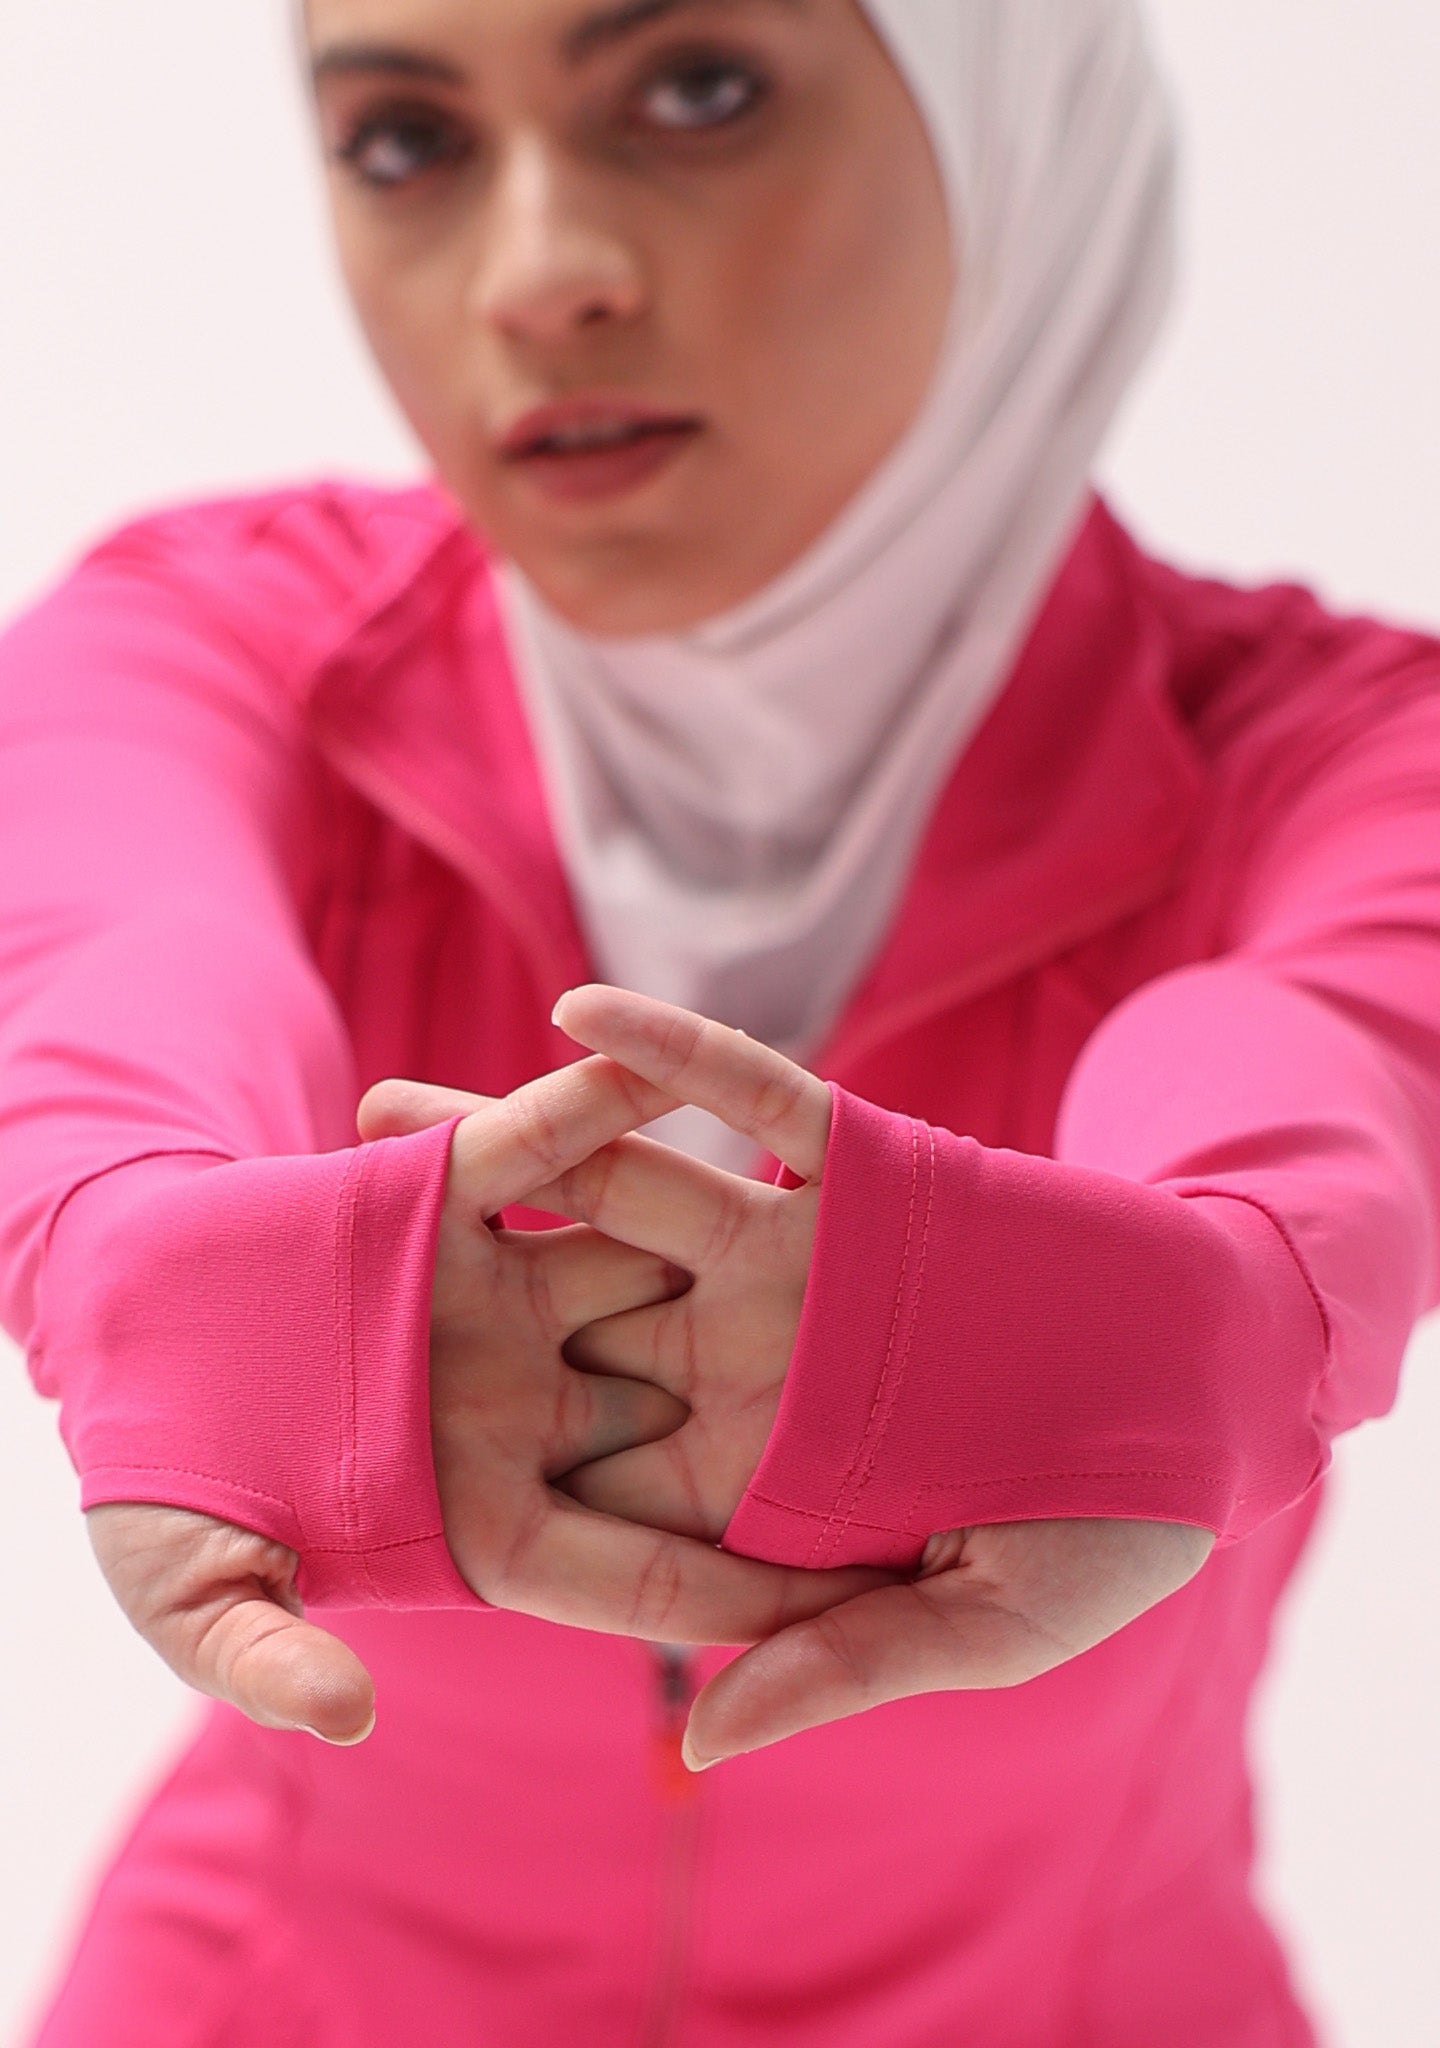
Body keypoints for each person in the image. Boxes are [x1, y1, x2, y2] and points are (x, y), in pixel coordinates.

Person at [2, 0, 1437, 2042]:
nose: (536, 276)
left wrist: (1206, 1307)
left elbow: (1311, 1057)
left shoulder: (1353, 756)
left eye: (694, 91)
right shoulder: (208, 640)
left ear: (1007, 98)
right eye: (408, 139)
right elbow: (126, 969)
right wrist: (141, 1242)